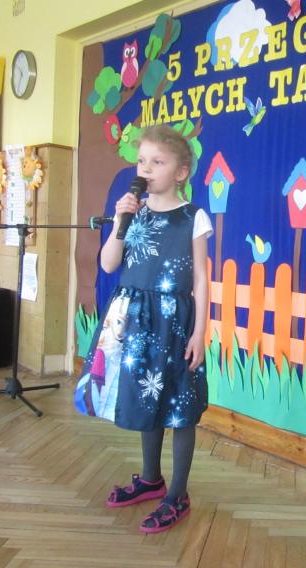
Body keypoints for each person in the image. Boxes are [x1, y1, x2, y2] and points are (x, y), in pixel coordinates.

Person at [74, 123, 212, 534]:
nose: (146, 169)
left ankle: (178, 495)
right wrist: (121, 218)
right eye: (141, 161)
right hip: (135, 320)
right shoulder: (133, 212)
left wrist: (199, 333)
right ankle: (151, 479)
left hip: (175, 322)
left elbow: (201, 278)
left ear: (181, 172)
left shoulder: (193, 217)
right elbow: (109, 264)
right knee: (147, 398)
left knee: (180, 405)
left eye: (157, 162)